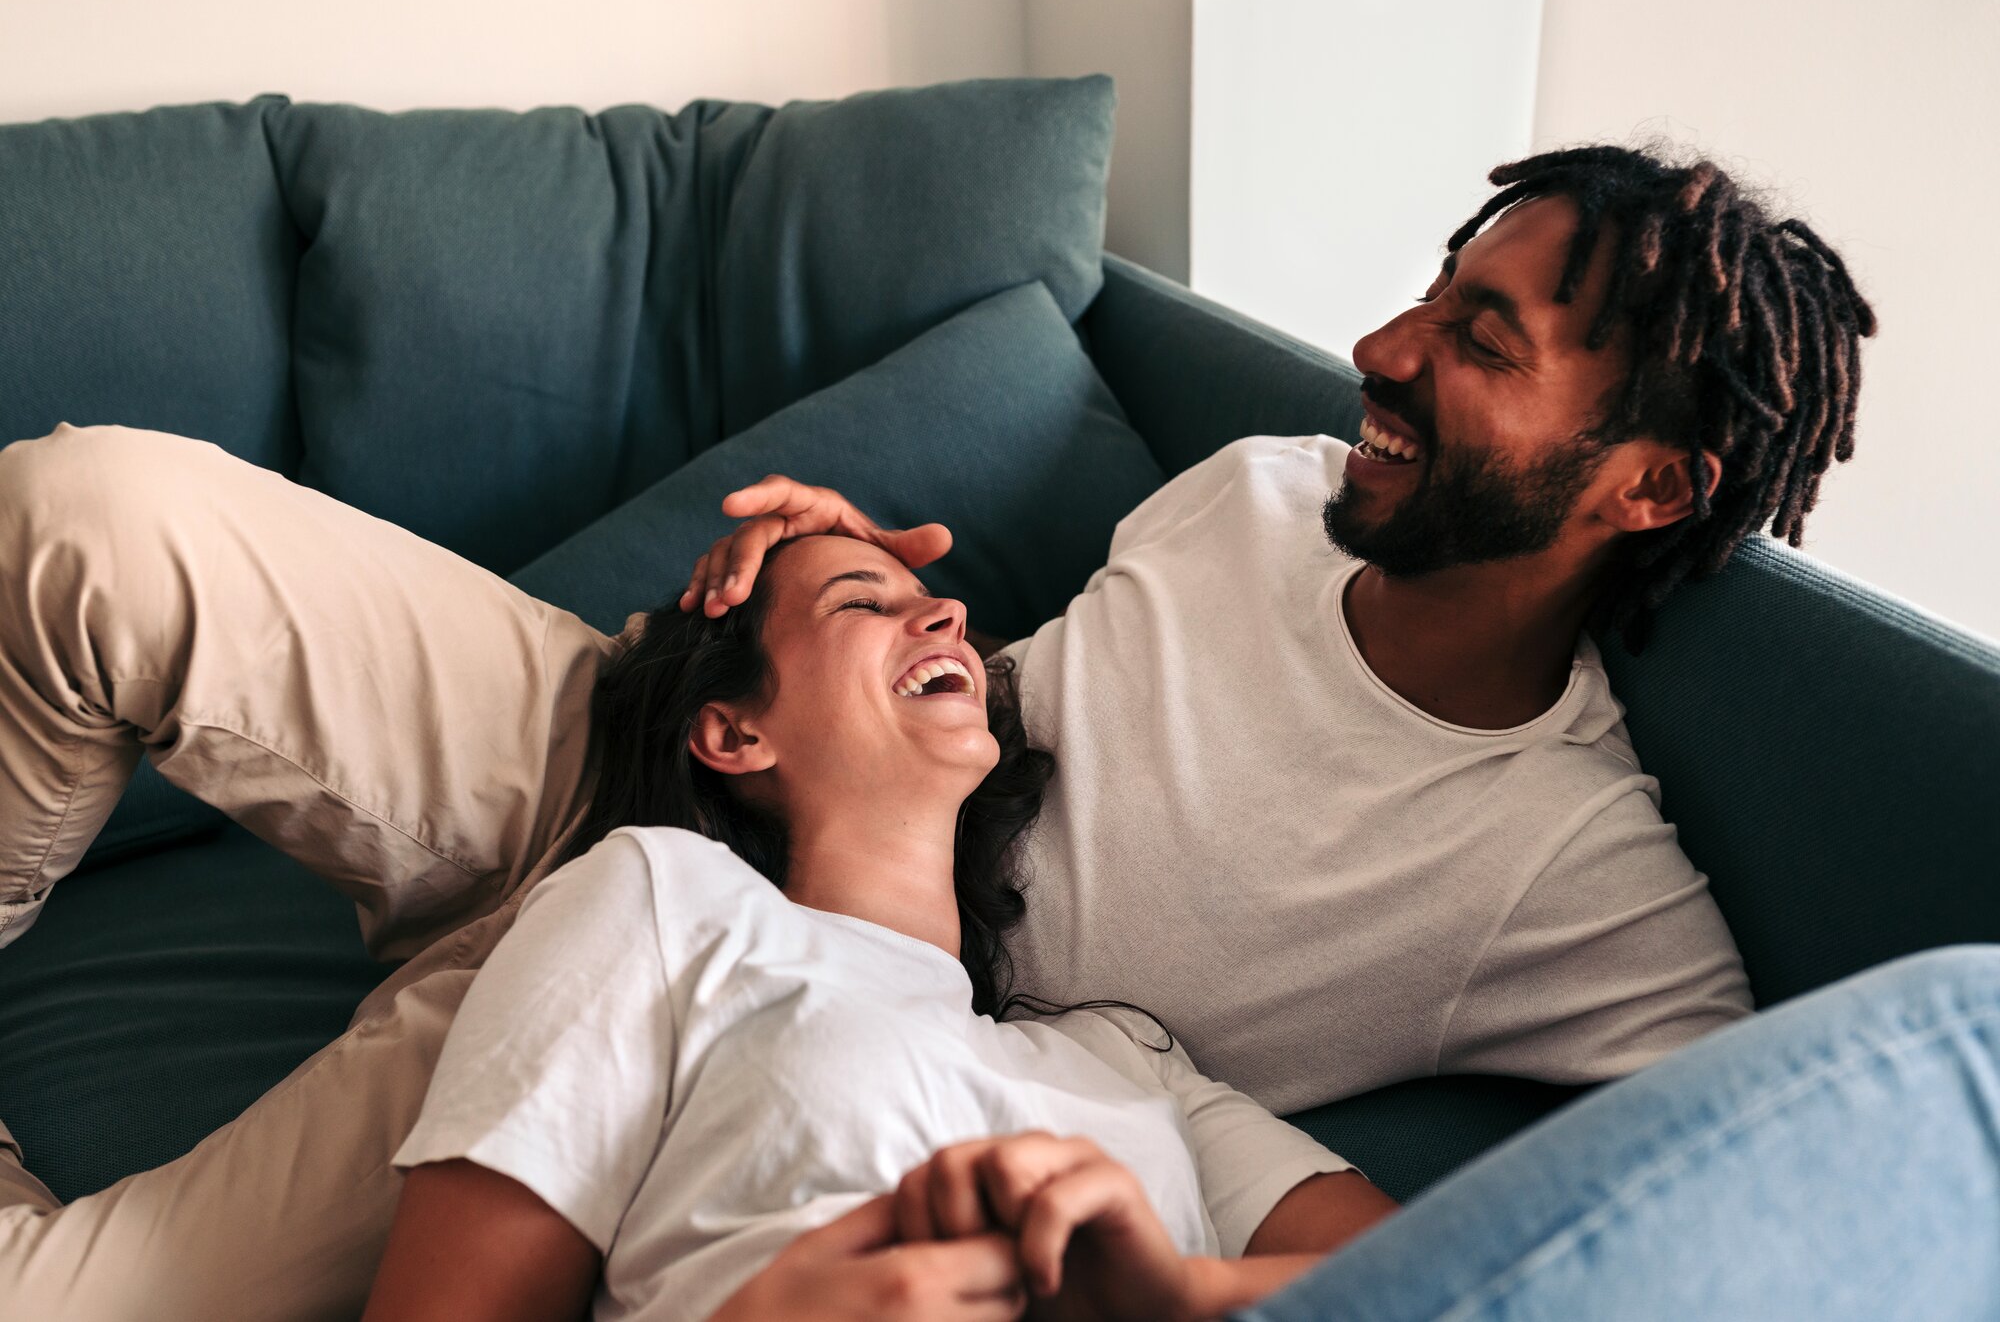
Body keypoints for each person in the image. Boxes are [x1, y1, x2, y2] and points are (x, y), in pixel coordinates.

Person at [0, 143, 1892, 1317]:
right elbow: (1009, 685)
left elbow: (1792, 1175)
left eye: (1480, 342)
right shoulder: (1261, 489)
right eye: (1431, 294)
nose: (1384, 349)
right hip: (697, 762)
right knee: (85, 518)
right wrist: (829, 600)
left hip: (787, 1011)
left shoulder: (1568, 866)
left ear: (1649, 486)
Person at [361, 534, 1393, 1321]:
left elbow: (1449, 1275)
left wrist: (1178, 1292)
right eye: (863, 600)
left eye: (937, 605)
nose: (948, 612)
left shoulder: (1125, 1057)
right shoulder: (660, 899)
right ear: (734, 731)